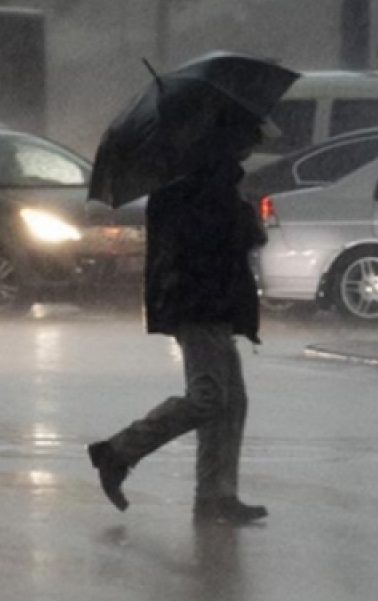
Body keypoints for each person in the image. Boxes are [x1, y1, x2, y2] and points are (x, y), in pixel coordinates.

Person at [87, 106, 271, 526]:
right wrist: (245, 223)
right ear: (226, 140)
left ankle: (216, 495)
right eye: (247, 139)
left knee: (230, 401)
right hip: (199, 302)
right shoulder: (199, 184)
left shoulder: (203, 179)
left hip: (210, 302)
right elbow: (213, 244)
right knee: (210, 397)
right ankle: (118, 452)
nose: (251, 148)